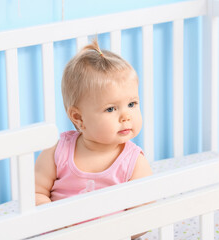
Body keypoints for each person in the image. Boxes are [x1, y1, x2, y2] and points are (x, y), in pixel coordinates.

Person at [34, 39, 153, 239]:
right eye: (111, 109)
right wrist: (56, 224)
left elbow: (144, 215)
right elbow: (36, 194)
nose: (126, 116)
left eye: (132, 104)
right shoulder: (58, 151)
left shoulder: (134, 162)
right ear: (78, 118)